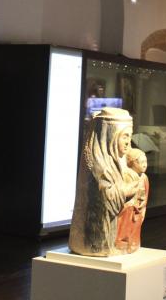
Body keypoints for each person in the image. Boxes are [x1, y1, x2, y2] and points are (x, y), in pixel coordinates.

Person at [69, 108, 139, 256]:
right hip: (96, 230)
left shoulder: (118, 158)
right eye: (124, 136)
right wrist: (126, 191)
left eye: (130, 136)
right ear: (111, 136)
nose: (128, 142)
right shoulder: (98, 162)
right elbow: (106, 196)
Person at [115, 148, 149, 253]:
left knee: (136, 226)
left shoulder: (144, 177)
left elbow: (146, 192)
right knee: (127, 219)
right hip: (129, 207)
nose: (145, 165)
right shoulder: (127, 175)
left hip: (139, 207)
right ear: (133, 162)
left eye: (146, 162)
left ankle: (133, 243)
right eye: (142, 162)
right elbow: (124, 192)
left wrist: (143, 203)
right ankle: (122, 242)